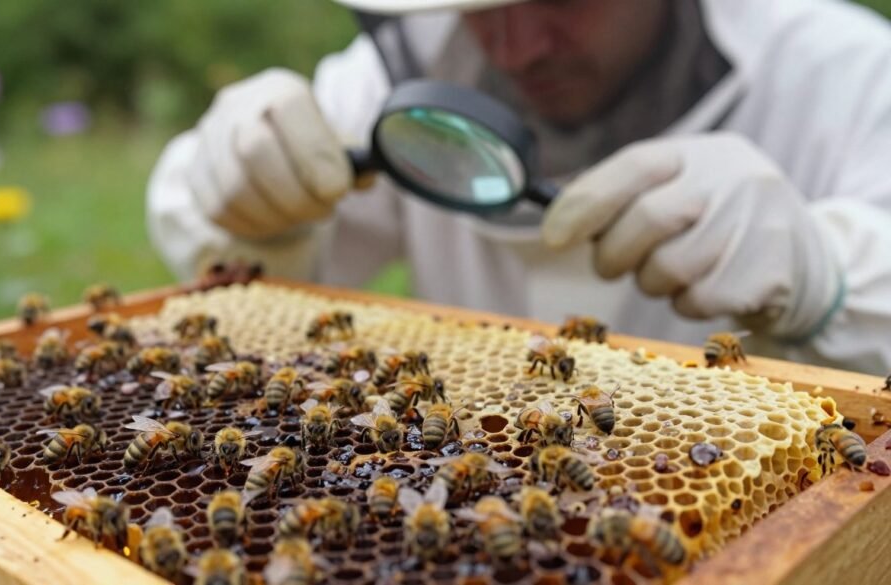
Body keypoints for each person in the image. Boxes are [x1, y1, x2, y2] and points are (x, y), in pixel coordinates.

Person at [146, 0, 891, 375]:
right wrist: (246, 197)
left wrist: (831, 274)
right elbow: (216, 245)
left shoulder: (852, 75)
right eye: (480, 5)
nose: (518, 47)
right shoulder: (401, 68)